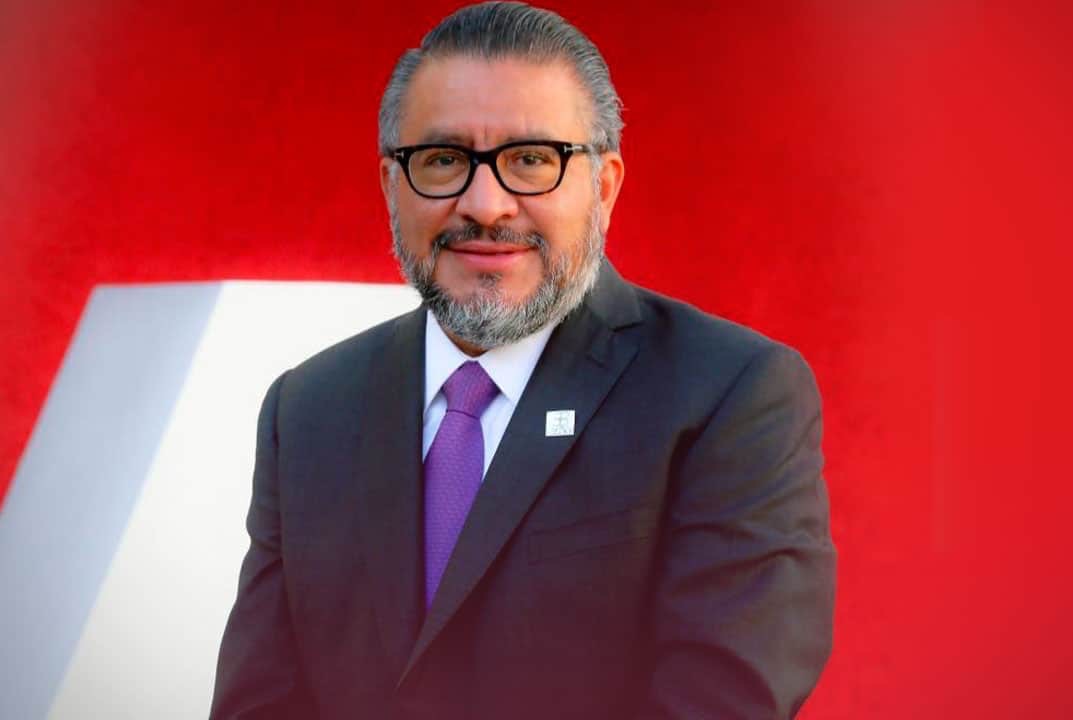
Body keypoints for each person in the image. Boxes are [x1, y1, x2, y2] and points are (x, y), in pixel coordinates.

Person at [211, 2, 835, 718]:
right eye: (444, 160)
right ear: (391, 184)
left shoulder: (729, 397)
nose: (485, 204)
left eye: (531, 160)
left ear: (604, 186)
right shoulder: (307, 409)